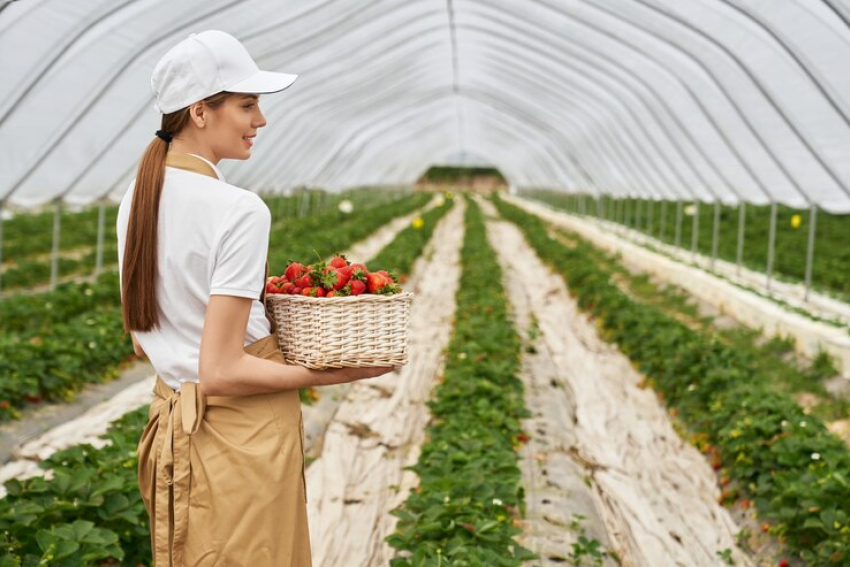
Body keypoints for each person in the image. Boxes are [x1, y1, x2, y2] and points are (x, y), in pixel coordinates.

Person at [116, 30, 393, 567]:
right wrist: (335, 373)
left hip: (172, 429)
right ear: (200, 111)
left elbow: (144, 339)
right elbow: (220, 370)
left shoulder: (137, 198)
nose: (260, 121)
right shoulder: (238, 209)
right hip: (239, 441)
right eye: (247, 105)